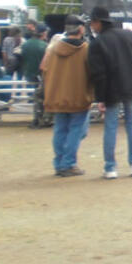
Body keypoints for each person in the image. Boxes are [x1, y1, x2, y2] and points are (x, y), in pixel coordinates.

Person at [87, 6, 132, 179]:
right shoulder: (128, 35)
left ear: (98, 22)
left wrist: (100, 98)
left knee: (111, 127)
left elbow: (98, 74)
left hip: (111, 89)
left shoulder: (97, 43)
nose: (91, 26)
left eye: (92, 23)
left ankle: (110, 167)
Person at [39, 15, 93, 177]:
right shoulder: (85, 49)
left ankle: (59, 163)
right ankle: (68, 163)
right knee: (76, 130)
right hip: (78, 97)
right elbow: (91, 73)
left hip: (57, 96)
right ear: (81, 29)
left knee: (60, 129)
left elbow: (44, 70)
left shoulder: (53, 48)